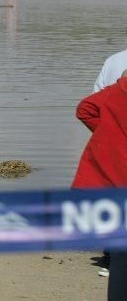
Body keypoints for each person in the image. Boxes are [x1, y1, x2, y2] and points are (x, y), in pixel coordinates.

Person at [72, 70, 127, 300]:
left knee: (120, 258)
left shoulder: (116, 91)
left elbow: (84, 109)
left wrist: (106, 130)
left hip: (113, 180)